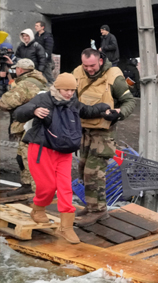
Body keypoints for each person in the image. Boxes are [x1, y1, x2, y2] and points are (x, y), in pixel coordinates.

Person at [14, 73, 113, 244]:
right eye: (66, 90)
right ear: (58, 88)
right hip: (42, 148)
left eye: (72, 90)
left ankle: (66, 227)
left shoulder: (72, 102)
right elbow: (19, 113)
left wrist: (104, 109)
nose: (69, 93)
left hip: (64, 151)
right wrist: (34, 110)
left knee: (65, 188)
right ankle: (37, 210)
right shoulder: (44, 99)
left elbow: (87, 111)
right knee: (47, 186)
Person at [72, 48, 135, 226]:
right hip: (84, 131)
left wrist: (119, 113)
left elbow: (129, 101)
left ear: (100, 61)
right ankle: (92, 207)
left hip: (104, 133)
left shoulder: (114, 75)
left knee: (95, 172)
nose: (89, 69)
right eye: (86, 65)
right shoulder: (77, 73)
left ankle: (99, 211)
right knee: (83, 170)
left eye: (92, 65)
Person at [0, 59, 48, 197]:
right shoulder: (40, 81)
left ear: (20, 70)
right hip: (37, 124)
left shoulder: (25, 84)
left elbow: (6, 102)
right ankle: (28, 185)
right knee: (23, 156)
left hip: (28, 125)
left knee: (28, 157)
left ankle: (35, 190)